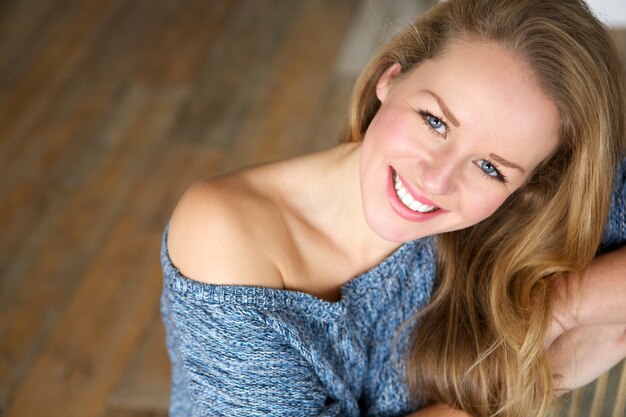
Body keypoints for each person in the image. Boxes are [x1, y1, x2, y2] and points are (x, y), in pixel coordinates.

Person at [160, 0, 626, 416]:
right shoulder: (224, 233)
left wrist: (562, 308)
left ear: (531, 182)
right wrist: (541, 370)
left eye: (489, 166)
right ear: (391, 77)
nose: (436, 179)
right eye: (435, 120)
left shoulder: (525, 207)